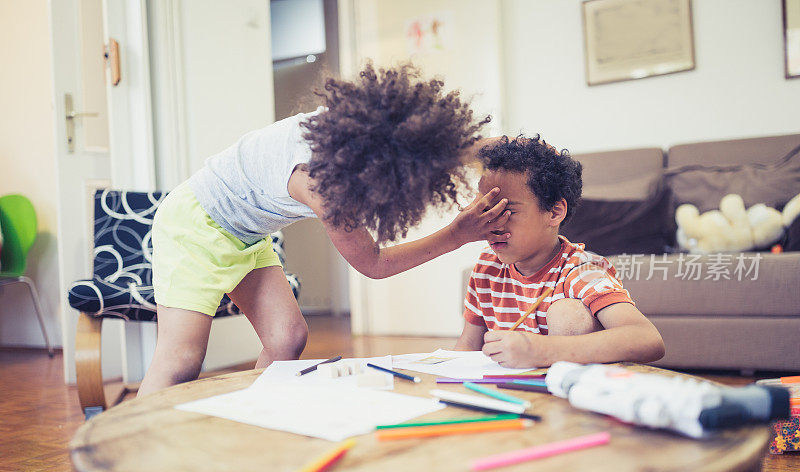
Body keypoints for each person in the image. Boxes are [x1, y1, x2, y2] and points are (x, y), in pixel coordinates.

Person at [138, 64, 509, 395]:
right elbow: (373, 264)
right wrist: (457, 234)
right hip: (196, 222)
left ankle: (256, 420)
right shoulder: (321, 184)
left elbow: (452, 146)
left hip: (246, 233)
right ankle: (130, 450)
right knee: (181, 360)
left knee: (287, 339)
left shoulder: (361, 128)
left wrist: (522, 149)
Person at [455, 135, 665, 367]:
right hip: (509, 394)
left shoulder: (581, 270)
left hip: (563, 393)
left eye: (509, 211)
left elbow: (648, 339)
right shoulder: (488, 265)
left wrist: (540, 350)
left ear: (554, 213)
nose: (492, 223)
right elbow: (468, 344)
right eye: (487, 210)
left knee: (567, 313)